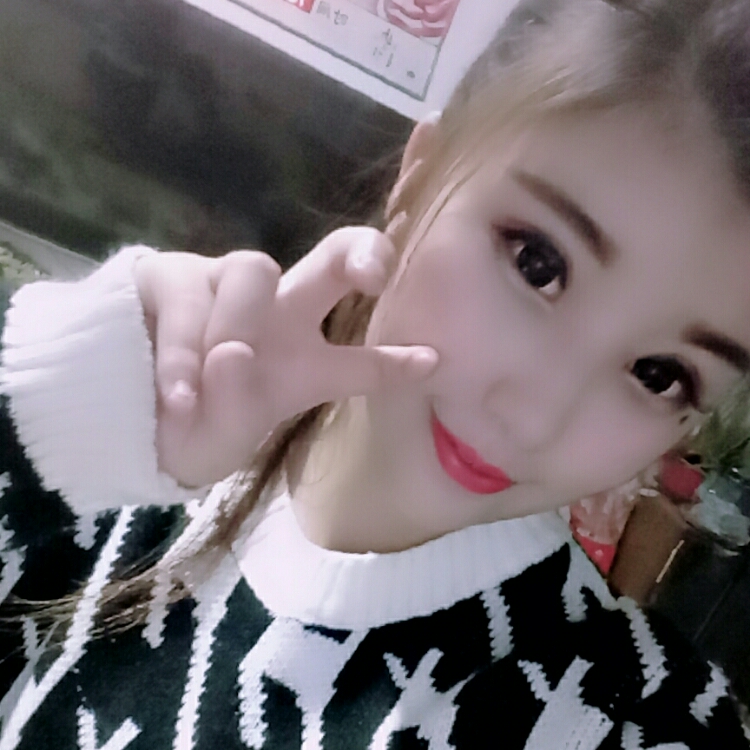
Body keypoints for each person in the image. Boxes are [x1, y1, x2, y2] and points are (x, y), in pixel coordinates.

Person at [1, 0, 750, 747]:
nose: (533, 418)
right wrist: (50, 410)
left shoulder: (624, 714)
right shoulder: (121, 437)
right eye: (536, 263)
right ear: (418, 178)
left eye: (659, 374)